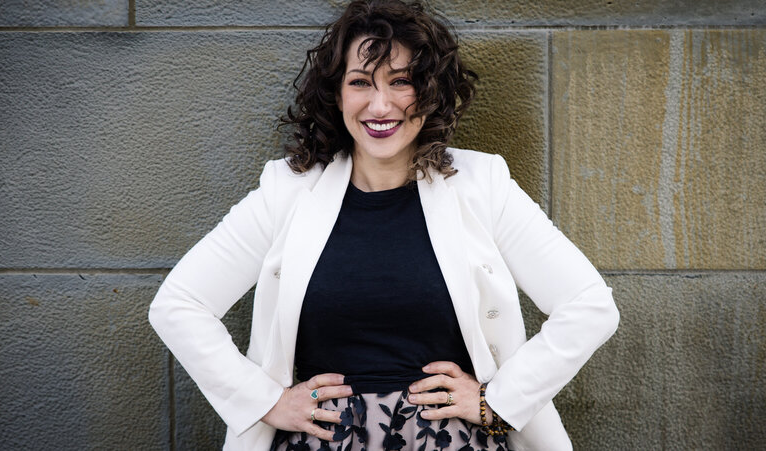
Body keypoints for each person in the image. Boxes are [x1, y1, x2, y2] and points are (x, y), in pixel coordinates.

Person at [148, 1, 619, 450]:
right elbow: (179, 304)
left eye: (400, 82)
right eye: (361, 82)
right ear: (336, 93)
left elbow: (589, 306)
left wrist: (495, 401)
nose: (380, 106)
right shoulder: (286, 191)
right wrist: (265, 401)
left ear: (430, 91)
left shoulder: (483, 186)